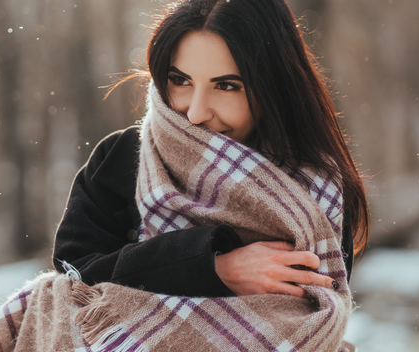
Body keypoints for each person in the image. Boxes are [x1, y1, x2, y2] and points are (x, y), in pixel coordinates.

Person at [52, 0, 370, 299]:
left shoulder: (316, 186)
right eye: (181, 80)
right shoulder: (123, 156)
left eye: (226, 86)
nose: (196, 113)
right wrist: (213, 267)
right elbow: (76, 277)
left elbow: (314, 315)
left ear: (273, 88)